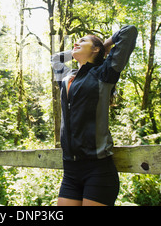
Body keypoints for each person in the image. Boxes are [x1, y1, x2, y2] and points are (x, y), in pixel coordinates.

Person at [51, 25, 138, 206]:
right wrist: (80, 50)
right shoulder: (67, 78)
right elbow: (56, 59)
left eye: (83, 41)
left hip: (98, 170)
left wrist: (105, 46)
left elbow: (129, 31)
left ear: (96, 49)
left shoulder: (104, 73)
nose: (76, 43)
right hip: (70, 171)